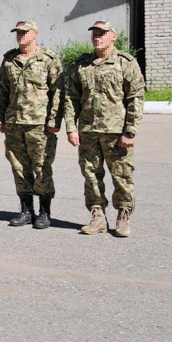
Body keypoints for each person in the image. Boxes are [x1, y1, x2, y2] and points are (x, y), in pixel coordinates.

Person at [64, 20, 145, 237]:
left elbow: (136, 98)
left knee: (122, 176)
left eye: (102, 34)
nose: (97, 37)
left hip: (116, 132)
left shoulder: (126, 63)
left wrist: (130, 131)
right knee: (91, 176)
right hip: (88, 131)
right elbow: (71, 98)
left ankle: (123, 216)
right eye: (95, 34)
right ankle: (98, 216)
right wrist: (71, 127)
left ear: (113, 36)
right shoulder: (82, 65)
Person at [0, 20, 64, 229]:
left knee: (42, 167)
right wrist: (0, 117)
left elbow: (58, 92)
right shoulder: (9, 60)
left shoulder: (48, 59)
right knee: (19, 168)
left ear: (35, 33)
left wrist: (55, 119)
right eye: (18, 32)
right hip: (15, 123)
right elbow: (1, 90)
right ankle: (26, 210)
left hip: (39, 125)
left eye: (25, 32)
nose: (21, 35)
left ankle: (44, 212)